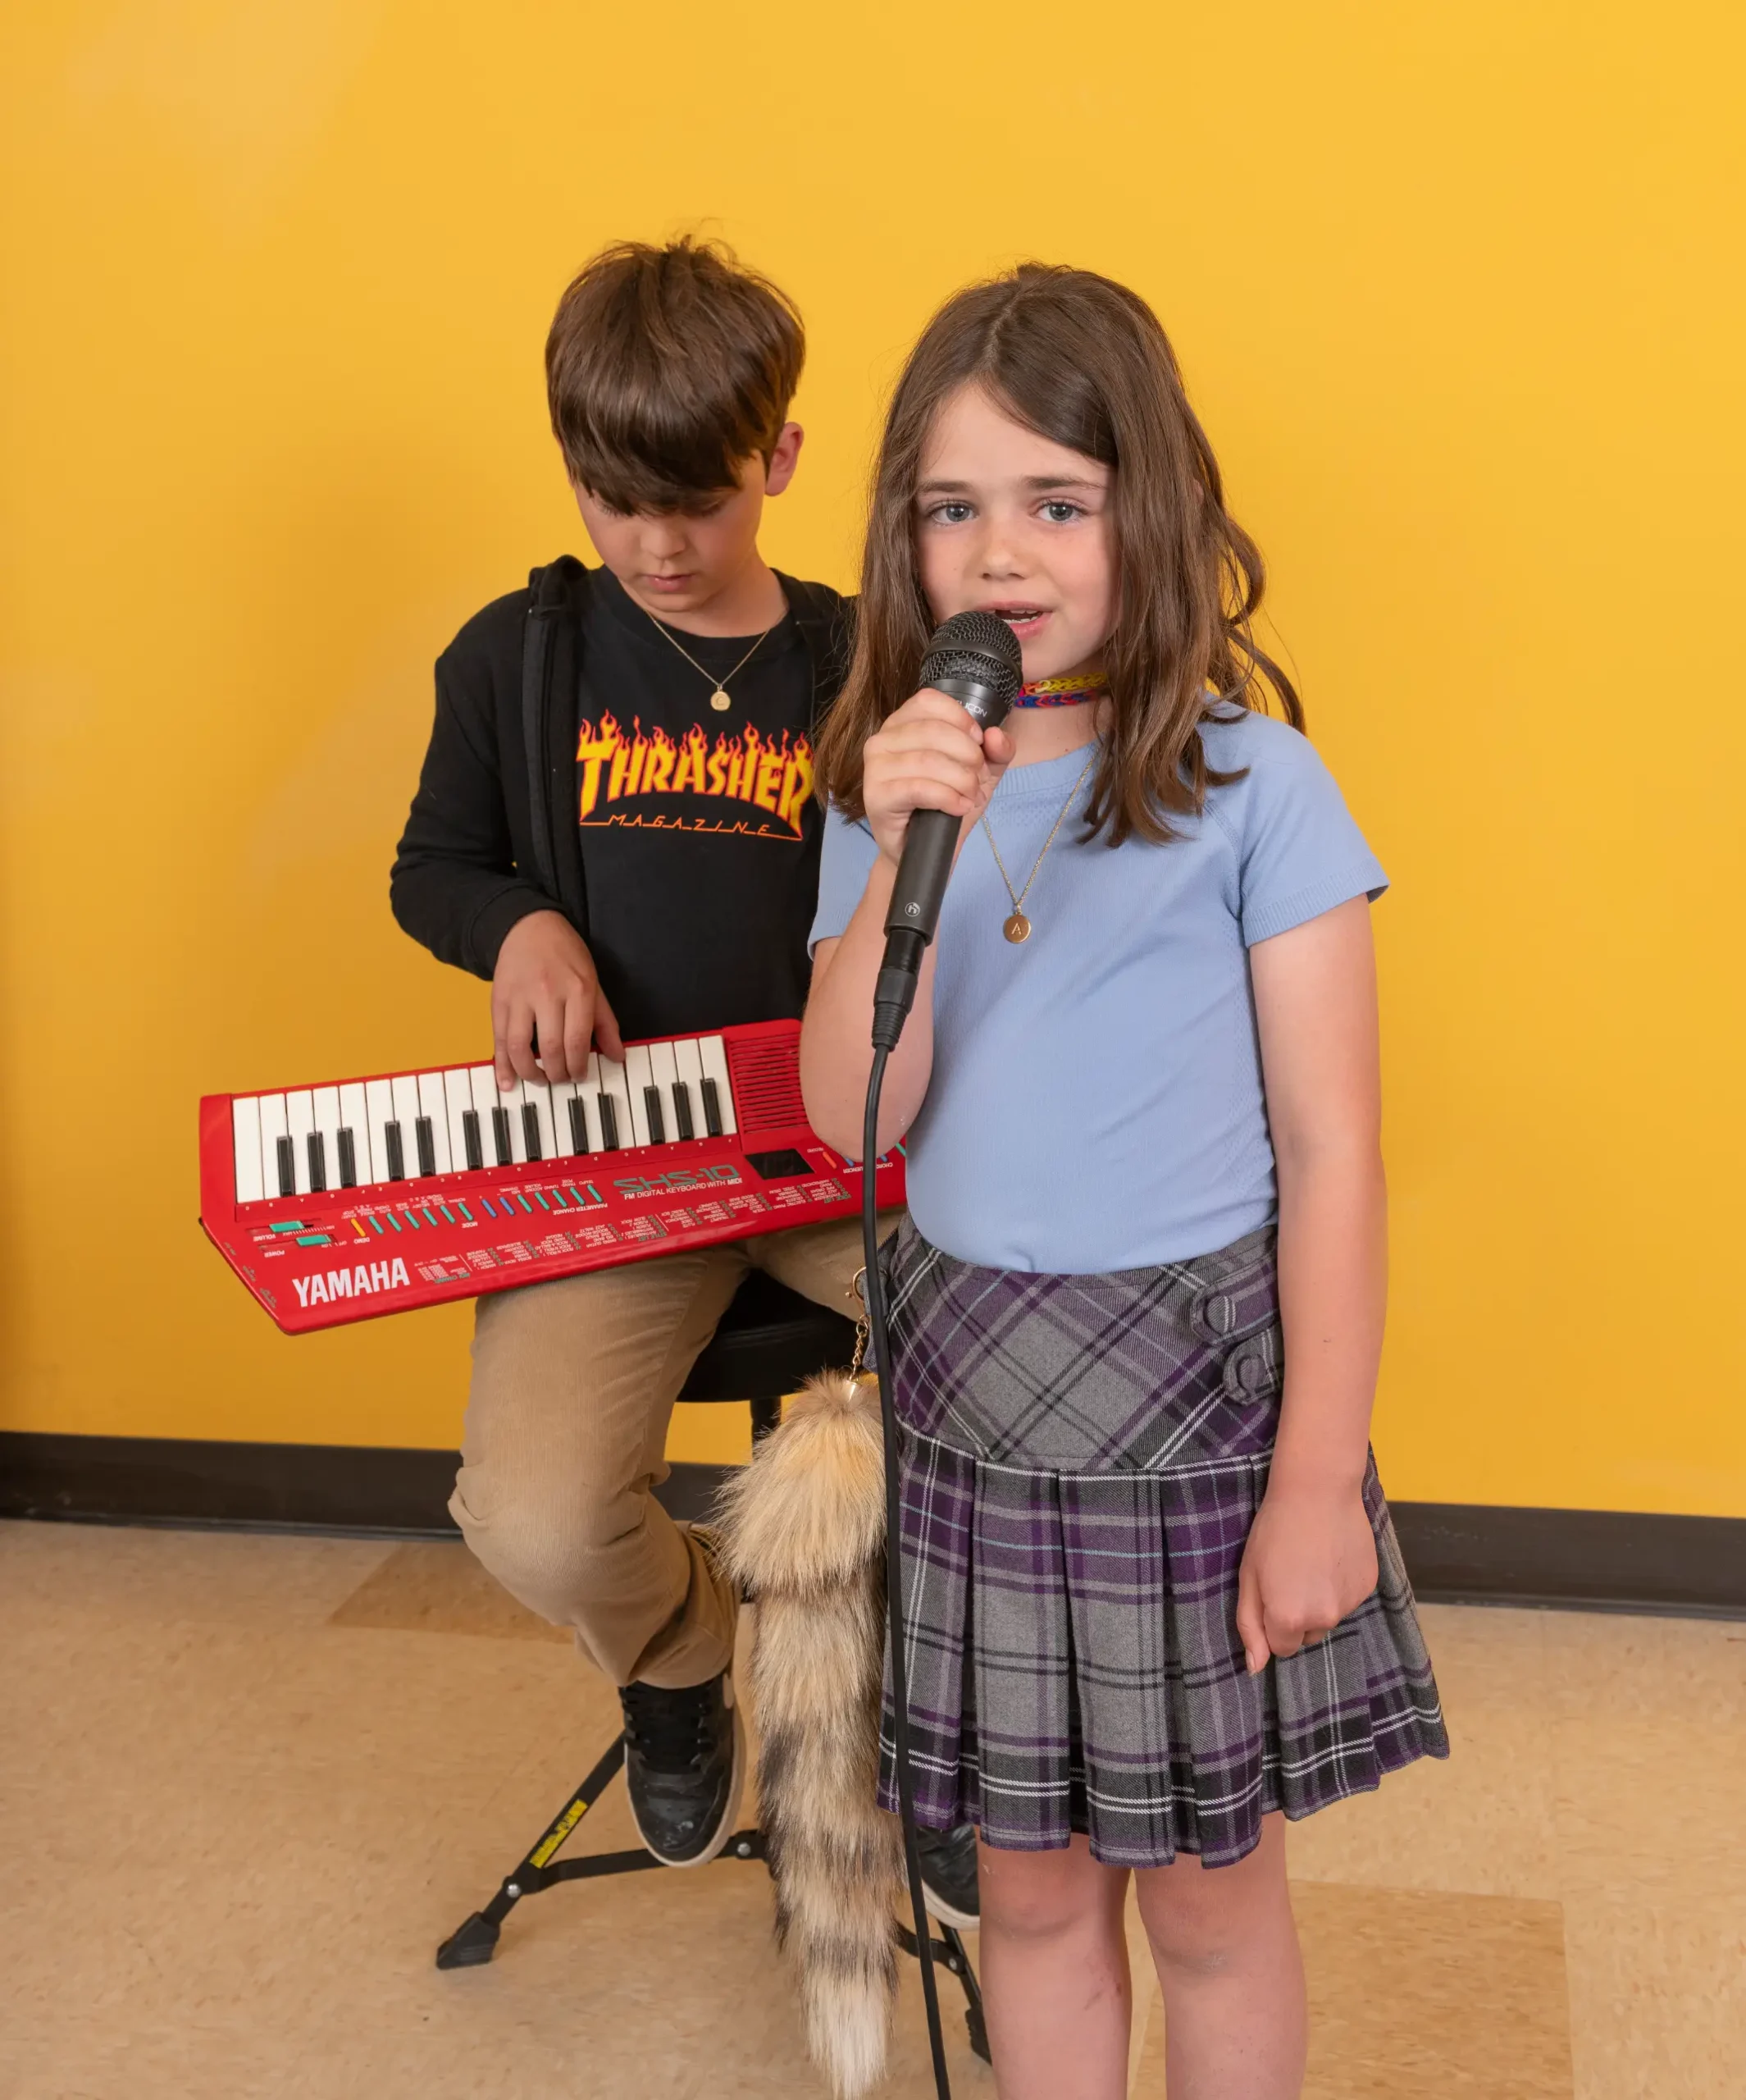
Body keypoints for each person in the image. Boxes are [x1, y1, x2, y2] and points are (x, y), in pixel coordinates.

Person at [800, 264, 1448, 2099]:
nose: (1001, 552)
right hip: (980, 1413)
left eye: (1055, 503)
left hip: (1192, 1420)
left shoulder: (1255, 787)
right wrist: (898, 841)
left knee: (1212, 1904)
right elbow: (853, 1113)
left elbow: (1333, 1154)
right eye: (953, 507)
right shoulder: (885, 787)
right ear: (904, 537)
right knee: (1027, 1894)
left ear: (1144, 509)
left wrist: (1314, 1480)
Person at [389, 237, 977, 1915]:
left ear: (776, 459)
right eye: (612, 499)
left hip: (846, 1141)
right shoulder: (513, 657)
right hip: (622, 1154)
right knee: (533, 1515)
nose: (655, 544)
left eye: (697, 504)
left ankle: (941, 1721)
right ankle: (684, 1658)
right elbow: (433, 867)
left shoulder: (865, 657)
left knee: (1030, 1395)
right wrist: (517, 929)